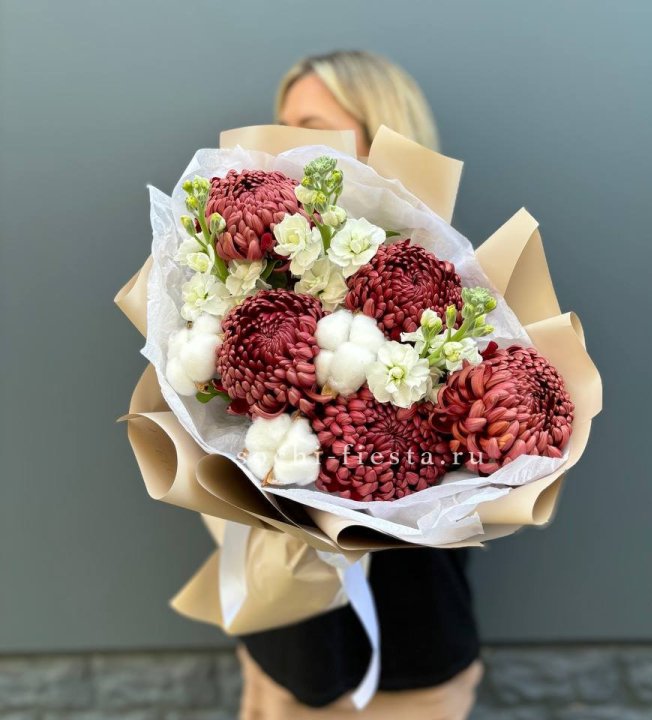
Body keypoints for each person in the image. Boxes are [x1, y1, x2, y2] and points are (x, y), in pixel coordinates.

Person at [236, 51, 483, 720]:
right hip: (288, 645)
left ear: (384, 137)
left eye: (309, 127)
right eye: (280, 124)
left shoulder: (454, 285)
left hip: (413, 649)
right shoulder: (256, 279)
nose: (283, 144)